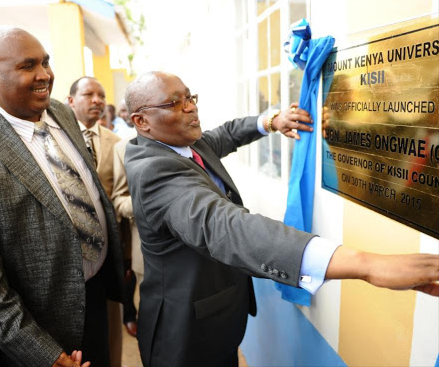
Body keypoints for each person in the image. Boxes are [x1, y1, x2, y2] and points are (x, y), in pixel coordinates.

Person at [123, 71, 439, 367]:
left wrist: (272, 121)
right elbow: (227, 227)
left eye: (190, 97)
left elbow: (227, 134)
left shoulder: (186, 142)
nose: (191, 108)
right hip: (184, 335)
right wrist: (366, 265)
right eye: (175, 104)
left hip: (218, 319)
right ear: (141, 120)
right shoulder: (154, 171)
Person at [0, 26, 125, 367]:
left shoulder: (61, 112)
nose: (44, 75)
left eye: (46, 62)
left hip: (95, 298)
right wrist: (43, 355)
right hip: (37, 329)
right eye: (28, 66)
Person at [66, 76, 134, 365]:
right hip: (70, 252)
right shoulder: (60, 141)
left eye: (101, 95)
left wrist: (127, 254)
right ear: (70, 101)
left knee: (109, 325)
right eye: (88, 94)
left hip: (109, 250)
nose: (97, 100)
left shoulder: (117, 143)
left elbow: (122, 194)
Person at [111, 134, 143, 338]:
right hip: (147, 254)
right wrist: (143, 201)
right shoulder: (123, 148)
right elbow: (119, 200)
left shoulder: (192, 139)